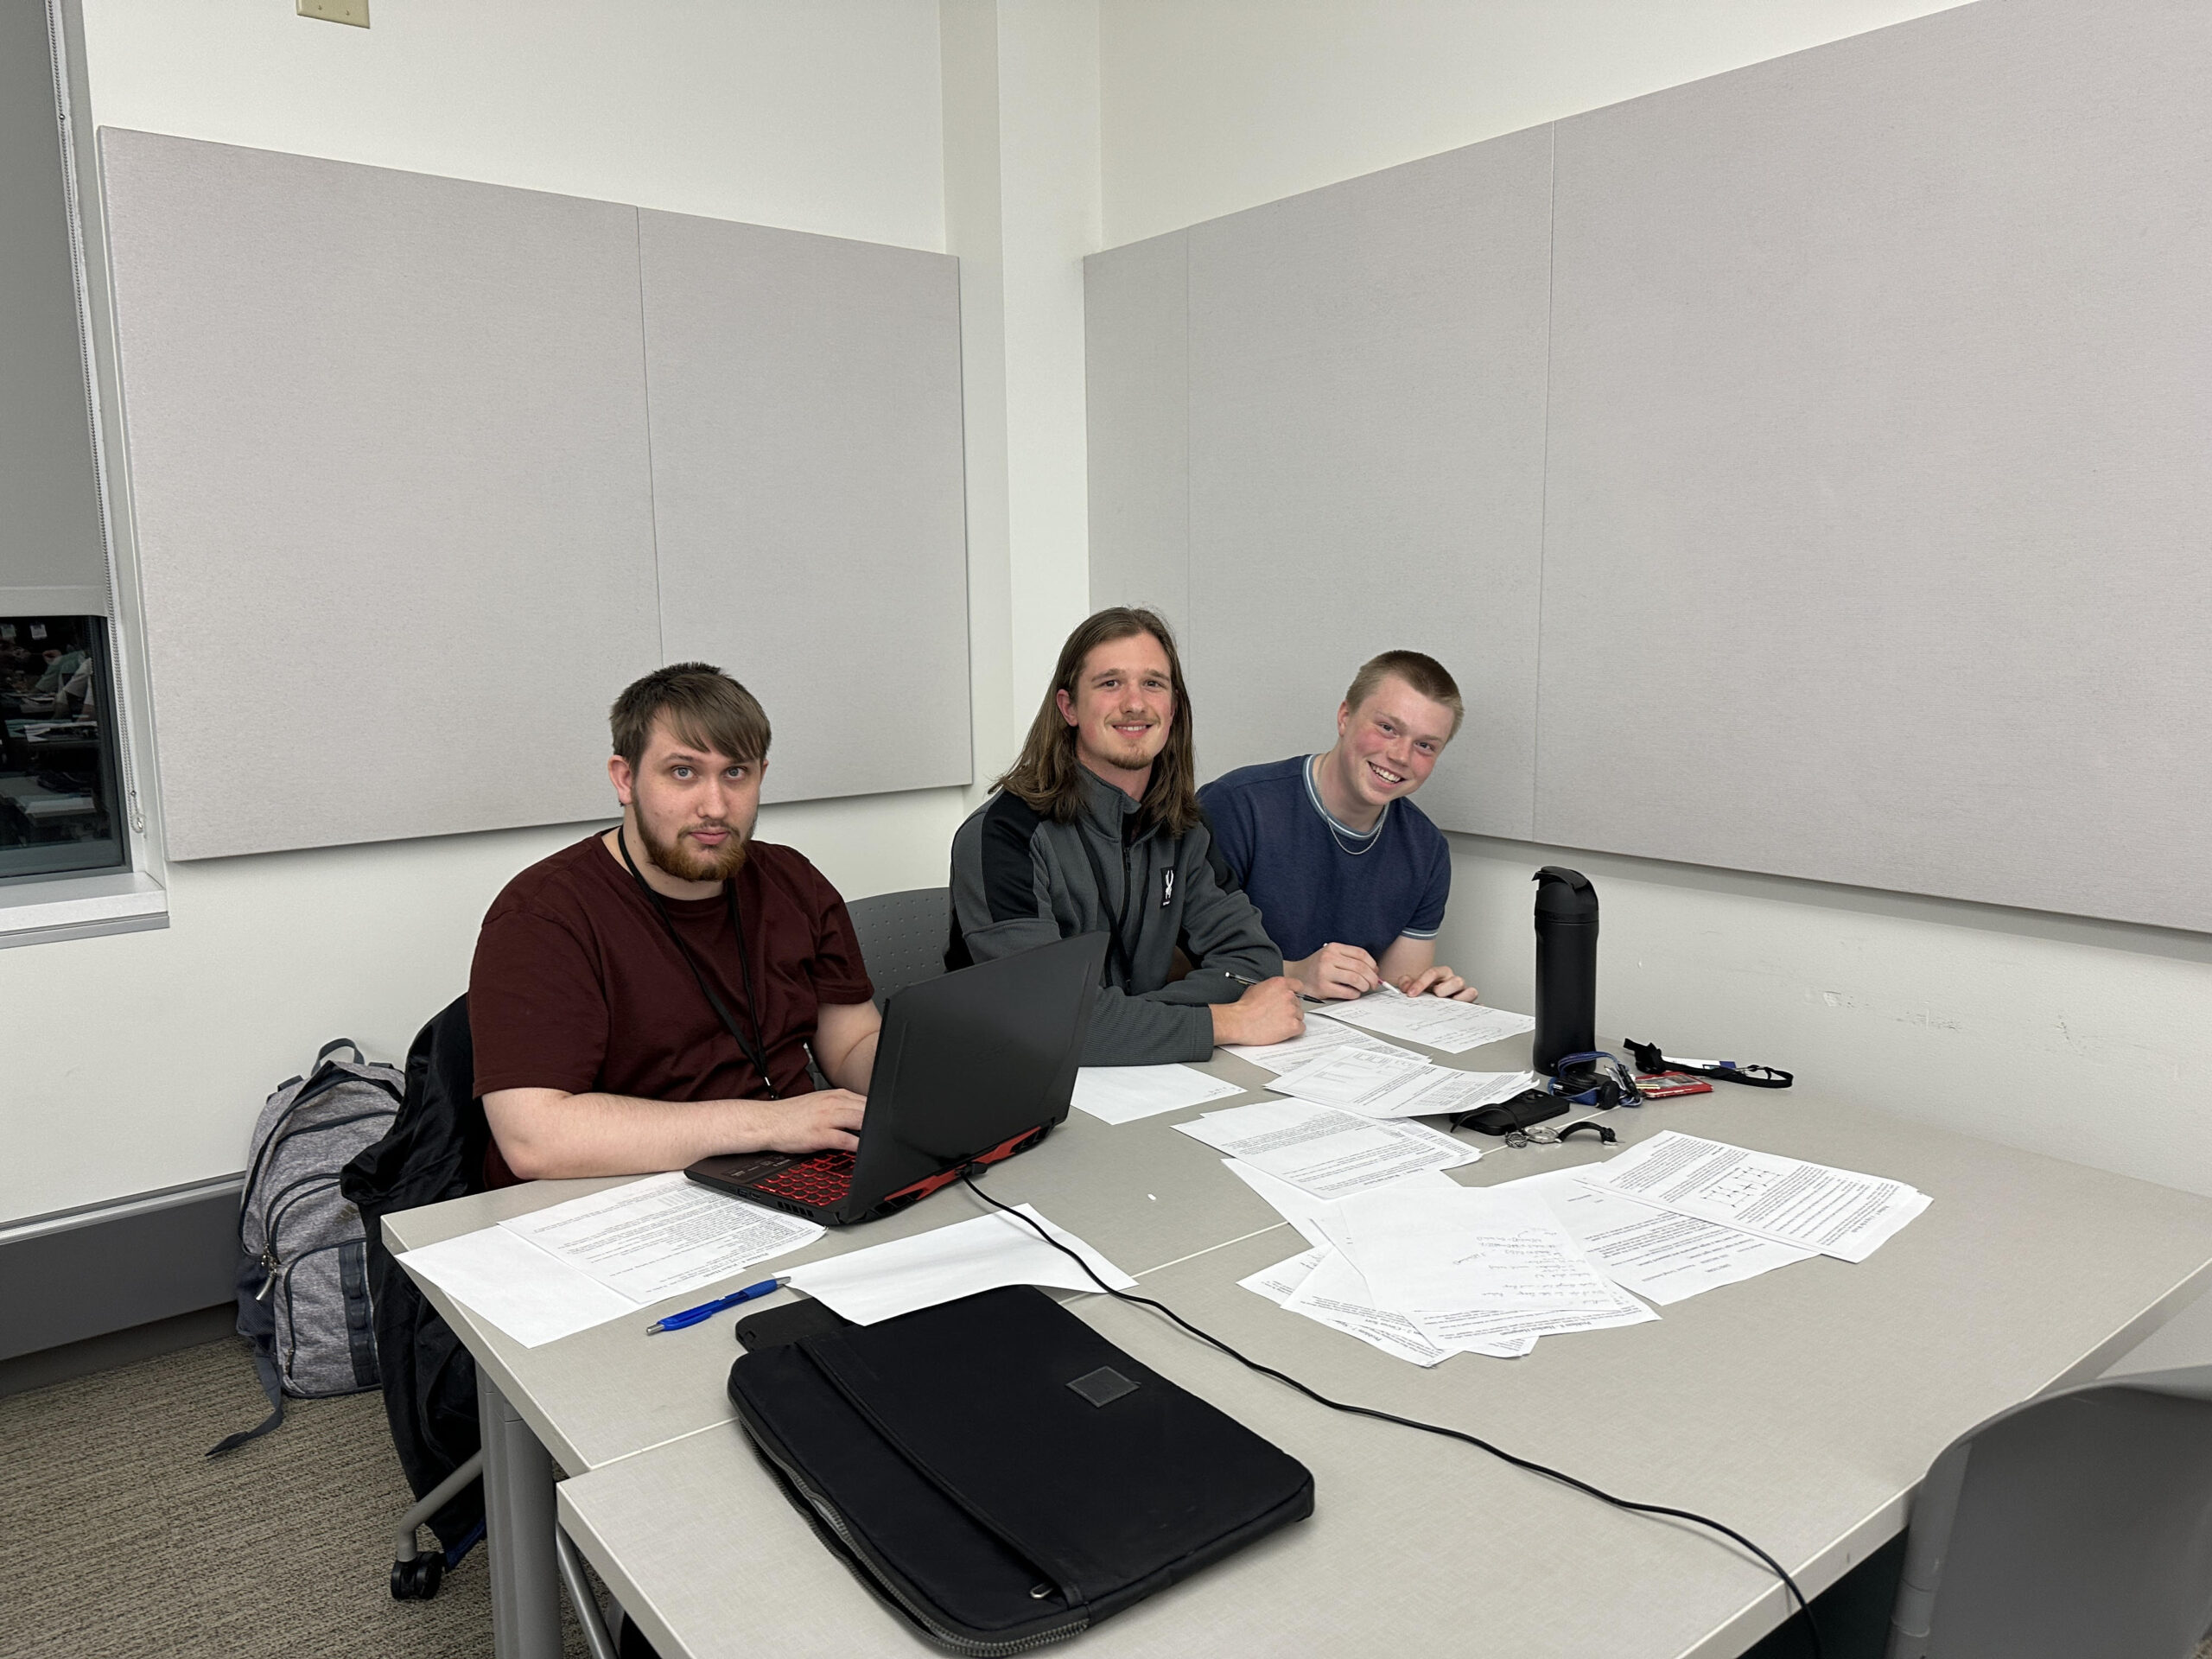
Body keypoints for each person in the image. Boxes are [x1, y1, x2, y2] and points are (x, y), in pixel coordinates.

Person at [468, 663, 877, 1185]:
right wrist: (772, 1123)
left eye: (736, 773)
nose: (715, 806)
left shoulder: (792, 880)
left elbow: (849, 1043)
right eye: (683, 772)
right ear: (625, 779)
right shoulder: (541, 916)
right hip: (622, 1195)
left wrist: (925, 1077)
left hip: (792, 1173)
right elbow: (536, 1139)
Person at [948, 607, 1303, 1064]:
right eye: (1110, 683)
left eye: (1153, 683)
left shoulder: (1183, 827)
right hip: (1017, 1087)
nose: (1135, 703)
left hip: (1145, 1079)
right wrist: (1223, 1022)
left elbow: (1251, 963)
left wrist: (1116, 1024)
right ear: (1069, 707)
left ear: (1173, 708)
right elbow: (1046, 1020)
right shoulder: (1001, 838)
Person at [1199, 650, 1479, 1003]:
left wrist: (1428, 1001)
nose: (1401, 756)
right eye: (1388, 728)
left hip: (1335, 1049)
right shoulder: (1237, 806)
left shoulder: (1428, 850)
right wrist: (1294, 973)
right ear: (1345, 717)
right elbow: (1170, 963)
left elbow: (1390, 996)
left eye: (1425, 745)